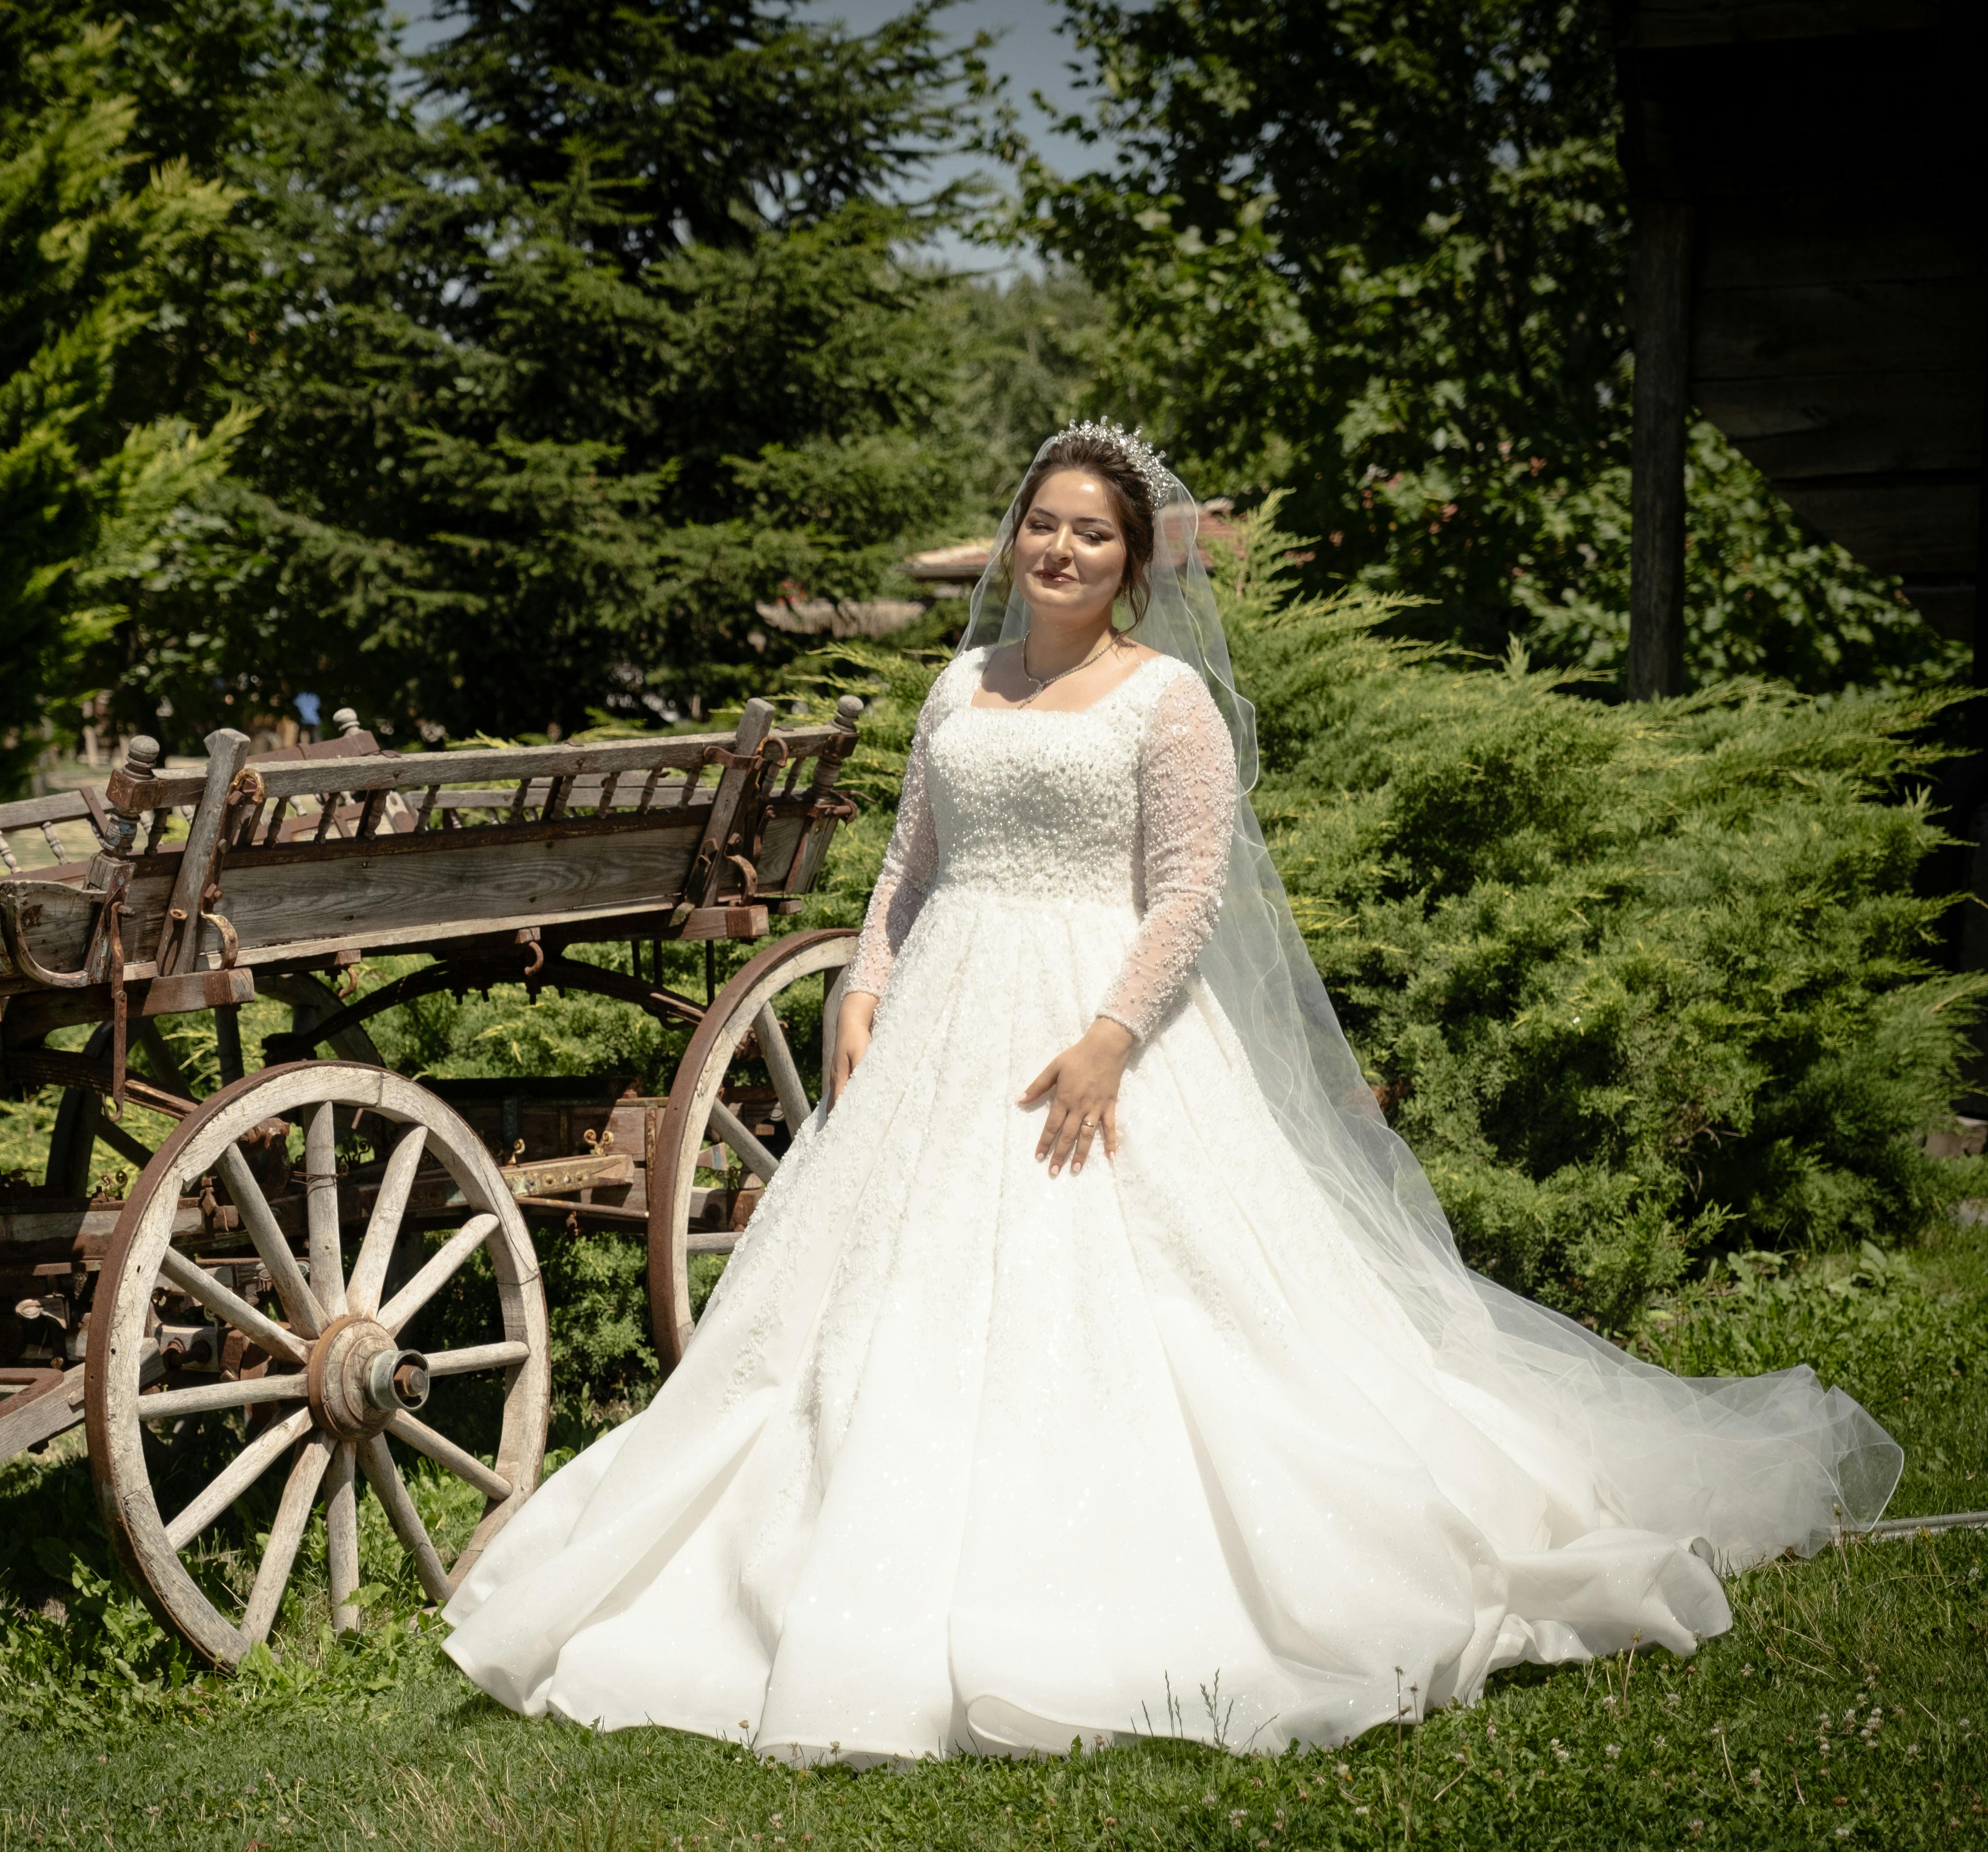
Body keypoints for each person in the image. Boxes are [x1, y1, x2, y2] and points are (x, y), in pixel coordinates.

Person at [439, 424, 1901, 1763]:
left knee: (1156, 1297)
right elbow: (909, 864)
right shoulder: (962, 684)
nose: (1061, 550)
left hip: (1101, 1027)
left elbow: (1193, 889)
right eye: (1042, 526)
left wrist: (1110, 1036)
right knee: (884, 1296)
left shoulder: (1168, 700)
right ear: (1015, 540)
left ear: (1136, 565)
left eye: (1093, 534)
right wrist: (862, 986)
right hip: (944, 1015)